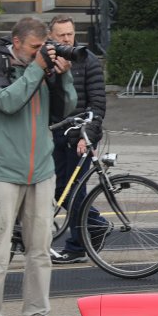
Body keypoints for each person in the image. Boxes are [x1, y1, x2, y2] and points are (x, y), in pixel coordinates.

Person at [0, 15, 76, 316]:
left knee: (40, 248)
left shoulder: (42, 69)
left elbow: (64, 109)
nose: (40, 52)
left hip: (40, 169)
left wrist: (63, 77)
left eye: (43, 46)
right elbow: (7, 102)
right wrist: (37, 69)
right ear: (16, 42)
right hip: (0, 169)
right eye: (35, 47)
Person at [46, 14, 108, 264]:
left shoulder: (88, 59)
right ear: (50, 36)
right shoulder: (46, 60)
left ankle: (77, 245)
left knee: (75, 190)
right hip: (56, 133)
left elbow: (98, 104)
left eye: (70, 34)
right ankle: (96, 224)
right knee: (59, 189)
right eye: (61, 35)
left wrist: (88, 136)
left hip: (81, 135)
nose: (66, 39)